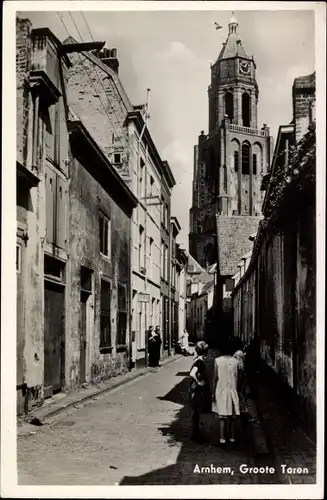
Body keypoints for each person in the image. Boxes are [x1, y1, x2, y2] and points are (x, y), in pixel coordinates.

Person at [212, 338, 240, 444]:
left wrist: (213, 392)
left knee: (222, 416)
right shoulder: (235, 362)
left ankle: (222, 438)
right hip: (232, 390)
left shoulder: (217, 361)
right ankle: (232, 437)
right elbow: (237, 378)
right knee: (232, 416)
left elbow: (215, 378)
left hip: (221, 390)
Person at [189, 341, 210, 442]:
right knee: (196, 411)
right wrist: (198, 382)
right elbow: (192, 373)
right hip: (197, 390)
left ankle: (196, 433)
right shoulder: (200, 362)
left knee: (196, 411)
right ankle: (195, 435)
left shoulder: (197, 360)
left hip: (195, 389)